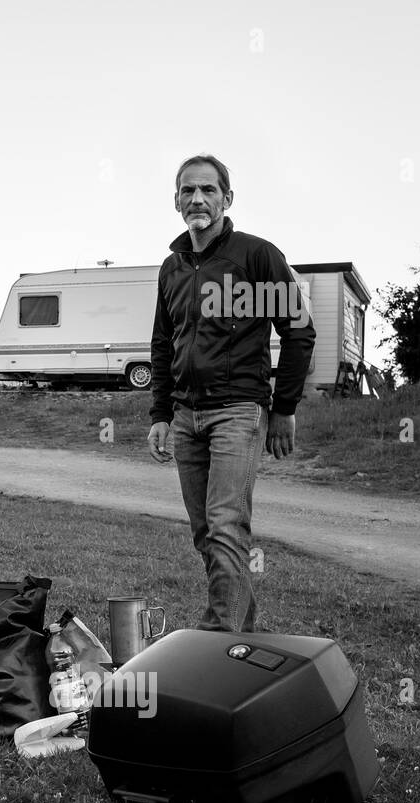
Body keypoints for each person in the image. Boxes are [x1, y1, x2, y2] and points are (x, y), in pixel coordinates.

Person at [146, 155, 316, 632]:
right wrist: (161, 413)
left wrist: (283, 409)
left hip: (238, 412)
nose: (197, 199)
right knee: (206, 533)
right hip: (185, 417)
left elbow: (299, 332)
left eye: (208, 190)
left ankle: (220, 637)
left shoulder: (256, 256)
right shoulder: (172, 268)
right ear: (176, 200)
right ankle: (245, 630)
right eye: (187, 191)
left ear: (227, 198)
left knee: (225, 525)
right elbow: (163, 343)